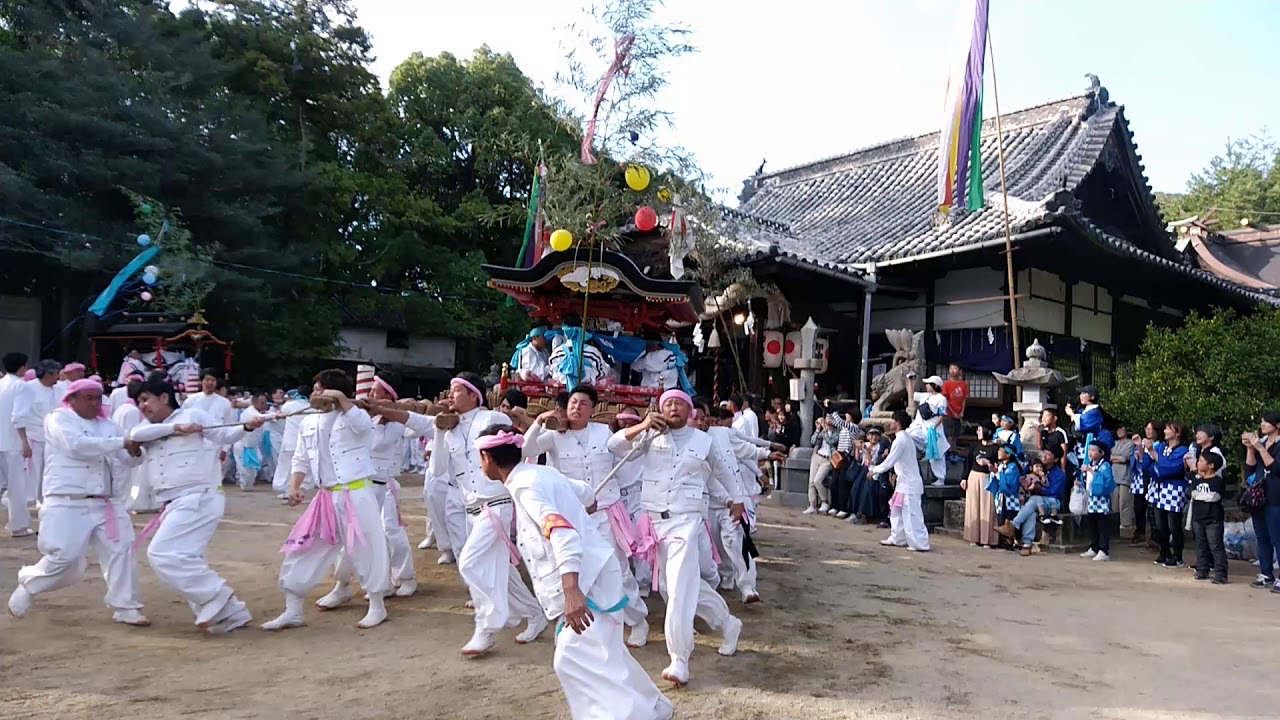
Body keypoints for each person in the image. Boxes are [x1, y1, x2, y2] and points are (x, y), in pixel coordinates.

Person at [476, 425, 674, 720]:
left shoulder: (526, 487)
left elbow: (562, 533)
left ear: (487, 458)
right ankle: (654, 706)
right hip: (596, 573)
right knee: (602, 652)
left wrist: (572, 592)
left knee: (573, 659)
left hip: (588, 582)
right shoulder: (541, 474)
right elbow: (586, 494)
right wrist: (584, 506)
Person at [609, 389, 745, 686]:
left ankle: (679, 658)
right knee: (674, 588)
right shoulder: (649, 436)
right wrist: (643, 425)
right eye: (668, 404)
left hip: (686, 520)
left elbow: (723, 472)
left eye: (679, 404)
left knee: (680, 591)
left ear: (689, 411)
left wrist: (737, 499)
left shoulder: (704, 441)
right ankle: (727, 623)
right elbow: (614, 446)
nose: (673, 409)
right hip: (655, 522)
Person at [7, 379, 149, 625]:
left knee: (122, 550)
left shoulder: (108, 426)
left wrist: (136, 450)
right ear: (72, 399)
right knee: (65, 559)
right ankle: (29, 583)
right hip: (66, 501)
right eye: (88, 398)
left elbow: (128, 459)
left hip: (105, 502)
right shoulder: (58, 419)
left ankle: (125, 606)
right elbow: (77, 447)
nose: (94, 403)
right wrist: (122, 442)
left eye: (98, 398)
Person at [259, 370, 391, 630]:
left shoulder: (355, 416)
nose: (315, 393)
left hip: (356, 493)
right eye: (315, 388)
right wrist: (295, 487)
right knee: (303, 548)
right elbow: (300, 458)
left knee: (367, 548)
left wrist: (341, 400)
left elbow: (364, 427)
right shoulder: (309, 421)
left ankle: (377, 606)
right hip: (326, 497)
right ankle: (293, 610)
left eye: (321, 388)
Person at [523, 384, 650, 647]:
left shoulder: (603, 432)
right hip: (571, 516)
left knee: (618, 569)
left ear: (592, 409)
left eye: (583, 403)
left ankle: (638, 620)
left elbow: (624, 448)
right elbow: (527, 450)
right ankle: (584, 626)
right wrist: (539, 420)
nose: (576, 407)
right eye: (572, 402)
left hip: (604, 513)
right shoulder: (553, 436)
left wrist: (644, 427)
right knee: (575, 571)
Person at [129, 380, 259, 634]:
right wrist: (177, 429)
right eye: (138, 402)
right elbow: (135, 436)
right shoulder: (147, 428)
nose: (142, 406)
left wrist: (246, 426)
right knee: (187, 557)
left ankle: (216, 594)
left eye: (145, 399)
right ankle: (233, 613)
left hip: (198, 496)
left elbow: (224, 435)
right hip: (172, 501)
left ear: (164, 397)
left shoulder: (194, 415)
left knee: (162, 553)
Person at [431, 372, 546, 654]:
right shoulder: (450, 429)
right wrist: (439, 429)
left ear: (474, 395)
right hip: (470, 509)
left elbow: (511, 448)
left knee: (470, 563)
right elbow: (437, 470)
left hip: (497, 504)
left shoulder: (491, 419)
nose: (450, 394)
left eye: (457, 390)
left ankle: (486, 626)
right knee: (502, 572)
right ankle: (535, 613)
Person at [872, 410, 930, 552]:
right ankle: (898, 538)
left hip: (910, 483)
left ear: (898, 423)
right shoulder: (902, 438)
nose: (890, 423)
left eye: (893, 421)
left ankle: (919, 543)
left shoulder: (901, 440)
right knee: (896, 511)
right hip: (903, 482)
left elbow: (889, 461)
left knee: (912, 515)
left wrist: (874, 470)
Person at [13, 359, 61, 508]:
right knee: (34, 470)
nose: (58, 377)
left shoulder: (59, 389)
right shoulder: (28, 388)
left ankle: (45, 497)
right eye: (56, 374)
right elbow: (19, 415)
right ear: (47, 375)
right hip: (33, 436)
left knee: (50, 469)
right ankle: (31, 497)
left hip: (53, 438)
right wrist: (23, 440)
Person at [1243, 412, 1280, 593]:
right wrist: (1251, 449)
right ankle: (1266, 573)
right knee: (1262, 537)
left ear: (1278, 425)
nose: (1262, 425)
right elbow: (1250, 467)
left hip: (1276, 496)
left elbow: (1275, 467)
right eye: (1262, 422)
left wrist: (1260, 447)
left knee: (1277, 537)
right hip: (1259, 496)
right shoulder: (1262, 443)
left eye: (1266, 422)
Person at [1146, 421, 1190, 568]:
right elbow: (1149, 465)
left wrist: (1153, 454)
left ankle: (1177, 556)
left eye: (1168, 429)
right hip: (1159, 488)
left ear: (1177, 433)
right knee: (1159, 524)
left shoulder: (1183, 450)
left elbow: (1172, 468)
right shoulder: (1162, 447)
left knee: (1173, 524)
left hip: (1175, 489)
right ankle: (1164, 552)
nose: (1165, 431)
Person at [113, 379, 160, 513]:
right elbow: (132, 433)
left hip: (122, 450)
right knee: (136, 481)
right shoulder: (133, 411)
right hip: (130, 451)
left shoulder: (121, 408)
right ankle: (136, 504)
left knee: (127, 481)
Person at [0, 351, 33, 536]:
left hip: (2, 439)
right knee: (16, 486)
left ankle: (18, 524)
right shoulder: (21, 386)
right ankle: (18, 525)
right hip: (12, 442)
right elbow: (18, 417)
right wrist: (24, 441)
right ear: (22, 367)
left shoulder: (1, 383)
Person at [905, 375, 949, 485]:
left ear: (935, 385)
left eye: (928, 384)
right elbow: (912, 395)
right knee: (908, 436)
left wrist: (934, 427)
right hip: (920, 427)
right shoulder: (925, 396)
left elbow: (942, 415)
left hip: (933, 429)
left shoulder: (941, 399)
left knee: (936, 455)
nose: (926, 386)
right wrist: (910, 381)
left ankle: (940, 478)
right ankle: (919, 452)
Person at [1190, 452, 1227, 584]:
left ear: (1211, 465)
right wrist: (1201, 496)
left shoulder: (1217, 481)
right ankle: (1202, 569)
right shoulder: (1197, 480)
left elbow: (1214, 497)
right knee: (1200, 544)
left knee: (1215, 545)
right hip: (1198, 517)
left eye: (1201, 461)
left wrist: (1200, 496)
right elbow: (1192, 493)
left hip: (1213, 518)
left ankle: (1221, 573)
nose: (1198, 463)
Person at [961, 423, 999, 547]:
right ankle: (973, 537)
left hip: (988, 477)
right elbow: (968, 462)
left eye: (980, 430)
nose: (978, 432)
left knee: (987, 507)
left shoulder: (995, 448)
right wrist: (964, 478)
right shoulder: (974, 446)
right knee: (973, 507)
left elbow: (997, 467)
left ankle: (987, 539)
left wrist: (987, 463)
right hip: (973, 476)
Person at [1079, 440, 1116, 562]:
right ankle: (1094, 547)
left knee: (1102, 525)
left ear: (1102, 453)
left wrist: (1091, 471)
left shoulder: (1105, 466)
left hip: (1102, 500)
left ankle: (1103, 550)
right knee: (1092, 524)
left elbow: (1106, 482)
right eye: (1089, 450)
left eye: (1094, 450)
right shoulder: (1089, 464)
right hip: (1091, 499)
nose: (1090, 453)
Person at [271, 387, 311, 500]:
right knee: (302, 467)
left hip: (290, 442)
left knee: (285, 467)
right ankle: (299, 489)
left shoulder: (288, 405)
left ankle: (285, 489)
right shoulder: (312, 407)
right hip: (304, 443)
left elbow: (280, 414)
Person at [1129, 421, 1163, 548]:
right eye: (1147, 429)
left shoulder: (1160, 445)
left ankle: (1156, 537)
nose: (1148, 431)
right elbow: (1138, 462)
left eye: (1151, 429)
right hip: (1139, 481)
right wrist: (1139, 450)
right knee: (1139, 508)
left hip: (1152, 481)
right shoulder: (1142, 443)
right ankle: (1141, 532)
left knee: (1152, 511)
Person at [233, 393, 269, 491]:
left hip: (253, 444)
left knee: (255, 464)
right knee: (244, 467)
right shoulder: (250, 412)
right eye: (262, 403)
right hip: (243, 444)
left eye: (265, 403)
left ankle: (248, 485)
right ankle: (243, 484)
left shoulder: (259, 412)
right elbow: (261, 417)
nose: (264, 405)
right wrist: (277, 415)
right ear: (254, 402)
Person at [804, 415, 838, 515]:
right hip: (817, 456)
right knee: (811, 482)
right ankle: (812, 505)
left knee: (817, 480)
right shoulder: (822, 431)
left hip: (828, 459)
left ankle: (825, 501)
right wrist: (818, 429)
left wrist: (825, 430)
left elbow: (831, 440)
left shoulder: (837, 433)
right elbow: (813, 441)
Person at [1110, 426, 1135, 533]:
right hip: (1114, 476)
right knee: (1114, 503)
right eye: (1118, 429)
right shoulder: (1114, 443)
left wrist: (1115, 458)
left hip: (1125, 476)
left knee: (1124, 502)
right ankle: (1115, 527)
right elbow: (1110, 457)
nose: (1119, 431)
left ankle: (1126, 526)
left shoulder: (1130, 443)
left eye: (1122, 429)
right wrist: (1117, 458)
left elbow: (1125, 458)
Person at [941, 364, 968, 445]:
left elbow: (964, 399)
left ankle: (954, 450)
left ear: (960, 371)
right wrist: (953, 412)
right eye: (951, 368)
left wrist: (962, 411)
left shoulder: (963, 384)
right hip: (948, 413)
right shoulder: (946, 384)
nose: (952, 370)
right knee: (949, 434)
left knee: (956, 435)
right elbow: (945, 400)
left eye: (955, 368)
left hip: (959, 413)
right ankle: (949, 450)